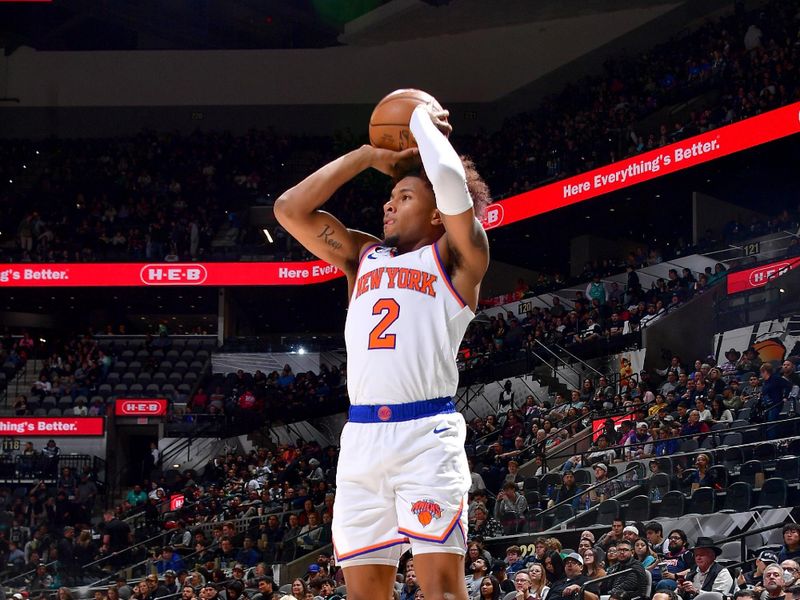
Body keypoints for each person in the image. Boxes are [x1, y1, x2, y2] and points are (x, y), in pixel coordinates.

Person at [275, 97, 491, 600]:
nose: (388, 204)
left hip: (425, 435)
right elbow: (289, 209)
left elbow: (450, 178)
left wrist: (419, 121)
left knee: (440, 589)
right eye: (389, 196)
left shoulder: (460, 256)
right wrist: (367, 156)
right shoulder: (361, 255)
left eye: (405, 197)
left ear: (438, 211)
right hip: (361, 439)